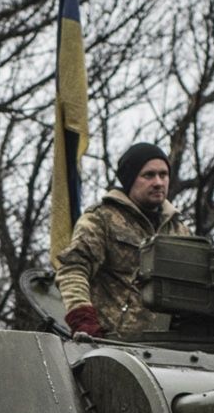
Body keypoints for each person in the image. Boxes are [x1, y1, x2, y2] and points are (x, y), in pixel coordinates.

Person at [56, 141, 194, 338]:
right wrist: (84, 321)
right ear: (130, 180)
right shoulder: (102, 218)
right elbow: (73, 269)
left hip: (167, 346)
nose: (158, 182)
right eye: (148, 175)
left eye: (163, 175)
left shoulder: (180, 231)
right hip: (110, 343)